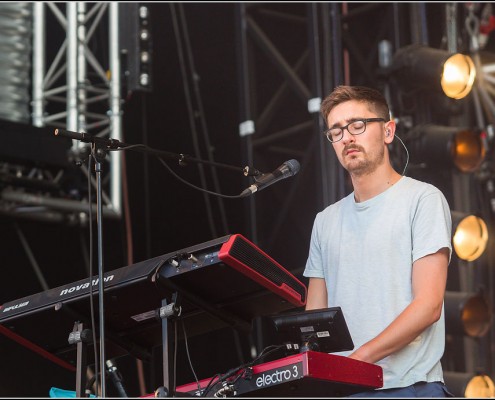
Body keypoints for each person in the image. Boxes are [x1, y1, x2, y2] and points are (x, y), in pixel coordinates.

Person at [303, 85, 453, 397]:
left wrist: (358, 361)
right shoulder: (324, 221)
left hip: (408, 387)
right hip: (345, 390)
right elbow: (314, 318)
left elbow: (428, 306)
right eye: (336, 131)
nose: (347, 137)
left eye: (357, 125)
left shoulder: (422, 199)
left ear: (387, 131)